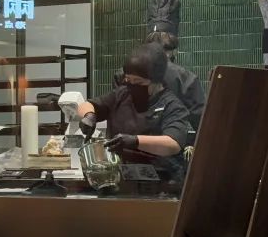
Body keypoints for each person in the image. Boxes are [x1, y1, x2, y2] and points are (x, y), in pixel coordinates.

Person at [78, 43, 190, 184]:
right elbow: (88, 104)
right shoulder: (122, 94)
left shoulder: (172, 105)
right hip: (120, 177)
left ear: (156, 81)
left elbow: (173, 144)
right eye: (128, 80)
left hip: (160, 181)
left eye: (138, 82)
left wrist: (135, 141)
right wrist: (89, 116)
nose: (132, 85)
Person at [145, 0, 206, 137]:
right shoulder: (185, 78)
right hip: (169, 146)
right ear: (173, 47)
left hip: (131, 146)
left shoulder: (124, 74)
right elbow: (203, 125)